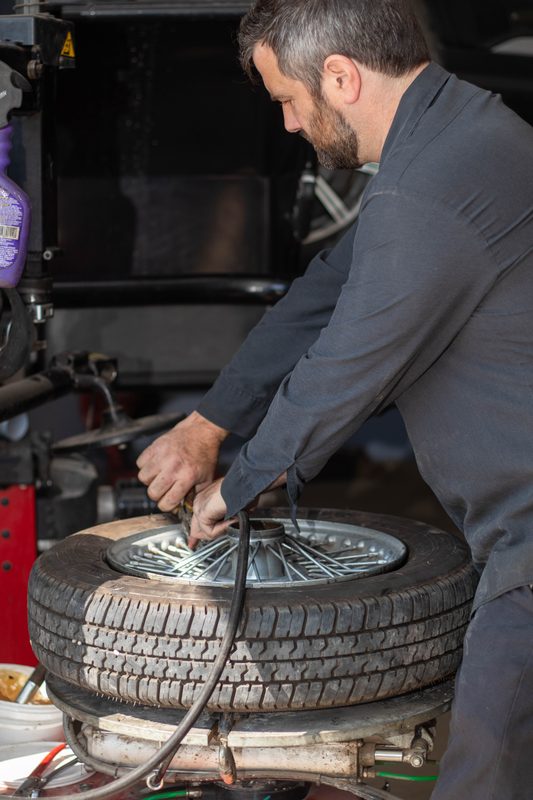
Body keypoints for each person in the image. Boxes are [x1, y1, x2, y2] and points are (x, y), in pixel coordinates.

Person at [137, 1, 533, 797]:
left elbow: (347, 361)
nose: (286, 124)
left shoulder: (424, 195)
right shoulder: (459, 136)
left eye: (286, 99)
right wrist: (208, 423)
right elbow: (324, 294)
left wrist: (241, 485)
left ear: (342, 78)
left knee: (486, 765)